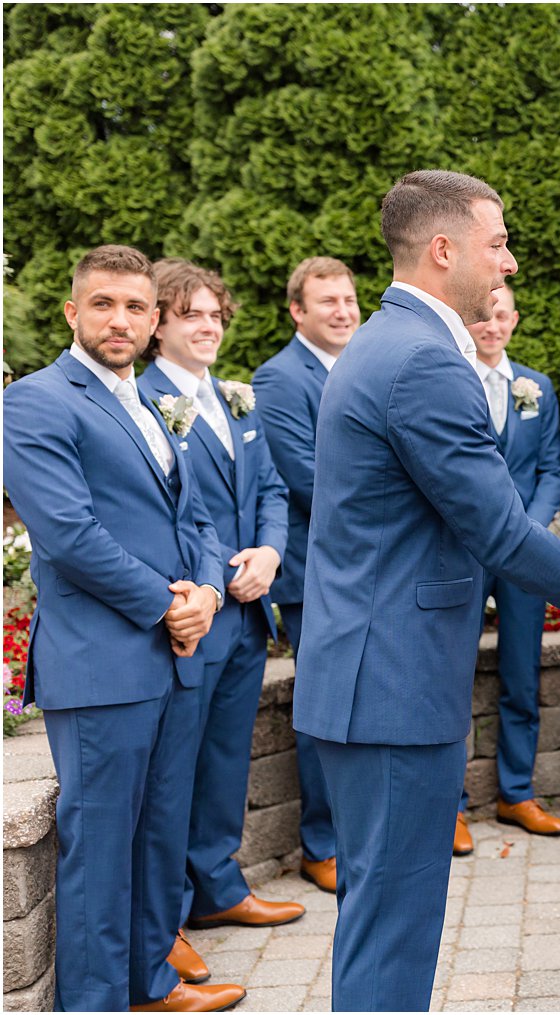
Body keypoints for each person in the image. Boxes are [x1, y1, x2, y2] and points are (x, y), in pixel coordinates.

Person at [292, 170, 560, 1011]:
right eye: (498, 242)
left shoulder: (392, 342)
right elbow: (504, 535)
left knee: (383, 913)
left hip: (376, 676)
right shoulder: (421, 360)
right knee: (393, 919)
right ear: (443, 250)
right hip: (391, 683)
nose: (510, 262)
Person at [3, 246, 244, 1012]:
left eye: (136, 307)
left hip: (174, 659)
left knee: (158, 836)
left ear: (153, 321)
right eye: (103, 303)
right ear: (73, 312)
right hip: (102, 662)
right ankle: (98, 1001)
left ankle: (150, 982)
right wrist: (166, 605)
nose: (121, 318)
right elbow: (69, 534)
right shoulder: (37, 400)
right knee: (102, 848)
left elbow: (197, 515)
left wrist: (207, 590)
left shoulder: (148, 401)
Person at [138, 260, 305, 967]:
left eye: (214, 315)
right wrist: (213, 578)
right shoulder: (142, 400)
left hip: (246, 608)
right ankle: (163, 922)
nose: (208, 327)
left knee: (226, 760)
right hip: (191, 612)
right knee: (172, 771)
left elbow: (269, 485)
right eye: (191, 315)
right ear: (158, 326)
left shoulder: (235, 398)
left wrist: (268, 553)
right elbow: (173, 508)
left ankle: (217, 885)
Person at [249, 256, 357, 893]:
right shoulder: (279, 378)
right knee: (323, 708)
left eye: (348, 299)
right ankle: (321, 845)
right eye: (327, 302)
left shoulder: (365, 364)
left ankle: (356, 835)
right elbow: (309, 479)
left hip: (363, 569)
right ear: (297, 311)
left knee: (357, 708)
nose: (343, 311)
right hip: (315, 574)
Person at [467, 284, 560, 838]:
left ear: (513, 320)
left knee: (521, 676)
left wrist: (528, 528)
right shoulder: (449, 378)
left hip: (523, 551)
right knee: (450, 675)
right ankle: (452, 806)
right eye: (484, 315)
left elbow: (552, 466)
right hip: (461, 549)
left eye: (501, 314)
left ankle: (517, 793)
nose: (492, 324)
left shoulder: (536, 387)